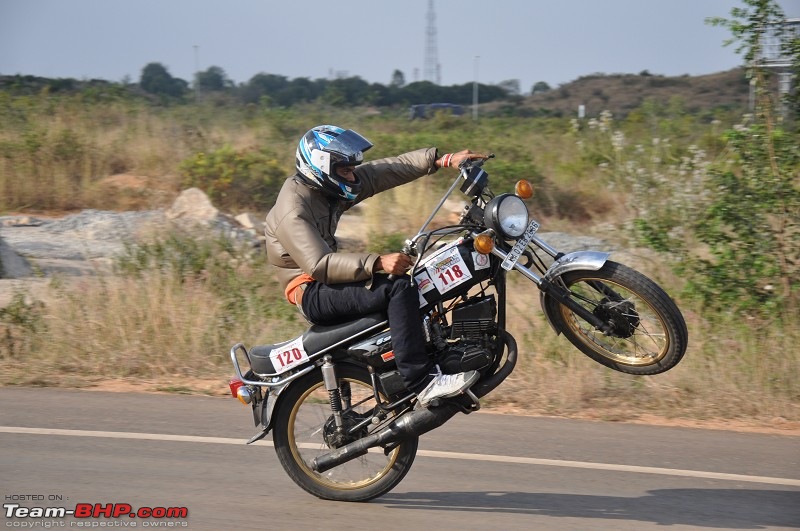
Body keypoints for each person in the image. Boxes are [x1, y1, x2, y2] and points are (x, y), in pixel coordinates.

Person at [264, 125, 489, 407]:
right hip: (312, 291)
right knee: (397, 288)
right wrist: (378, 262)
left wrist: (439, 160)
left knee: (422, 280)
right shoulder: (293, 209)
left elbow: (383, 171)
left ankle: (438, 355)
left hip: (328, 281)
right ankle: (423, 382)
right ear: (321, 168)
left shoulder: (325, 189)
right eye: (346, 170)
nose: (353, 175)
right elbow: (319, 264)